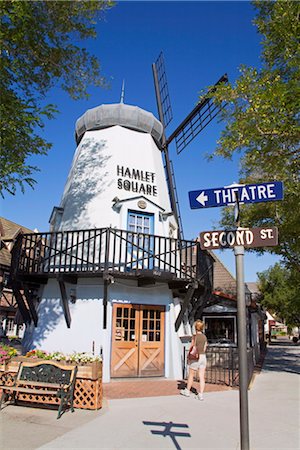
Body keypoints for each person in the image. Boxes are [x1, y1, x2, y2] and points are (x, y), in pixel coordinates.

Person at [181, 319, 207, 401]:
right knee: (202, 376)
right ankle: (201, 394)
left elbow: (192, 347)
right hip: (203, 357)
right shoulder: (204, 337)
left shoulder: (195, 337)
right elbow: (205, 347)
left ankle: (187, 391)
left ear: (195, 327)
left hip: (196, 357)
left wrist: (189, 357)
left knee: (191, 374)